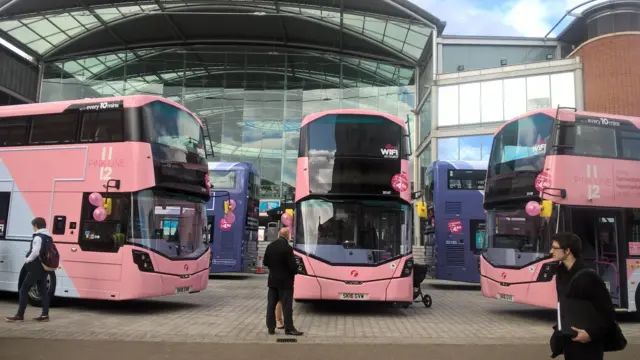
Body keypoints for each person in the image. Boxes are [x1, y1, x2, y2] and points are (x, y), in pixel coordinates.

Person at [549, 232, 615, 360]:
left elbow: (607, 313)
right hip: (569, 339)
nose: (551, 251)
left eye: (555, 248)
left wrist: (590, 334)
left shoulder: (588, 276)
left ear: (567, 250)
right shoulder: (560, 274)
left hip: (588, 345)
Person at [6, 217, 53, 322]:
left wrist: (27, 259)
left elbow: (36, 252)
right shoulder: (48, 237)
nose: (33, 228)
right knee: (42, 291)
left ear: (36, 225)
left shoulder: (38, 237)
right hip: (44, 267)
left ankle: (19, 315)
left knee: (23, 290)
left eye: (33, 226)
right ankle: (45, 315)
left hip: (36, 267)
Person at [263, 227, 303, 336]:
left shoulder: (270, 246)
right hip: (285, 283)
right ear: (287, 236)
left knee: (271, 305)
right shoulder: (287, 248)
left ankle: (271, 327)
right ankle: (289, 328)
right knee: (286, 306)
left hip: (272, 282)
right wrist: (296, 270)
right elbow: (293, 267)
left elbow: (265, 262)